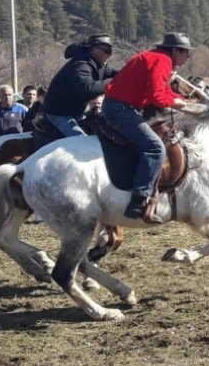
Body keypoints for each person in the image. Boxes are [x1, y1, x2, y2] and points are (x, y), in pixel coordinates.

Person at [102, 32, 193, 223]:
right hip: (121, 109)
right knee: (154, 148)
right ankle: (138, 201)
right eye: (186, 52)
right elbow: (156, 96)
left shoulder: (158, 58)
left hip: (120, 107)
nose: (188, 56)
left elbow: (163, 91)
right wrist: (178, 104)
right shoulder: (163, 61)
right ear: (175, 50)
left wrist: (185, 101)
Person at [42, 34, 118, 137]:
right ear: (95, 50)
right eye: (107, 51)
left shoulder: (98, 64)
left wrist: (129, 73)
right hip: (59, 114)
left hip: (76, 113)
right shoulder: (80, 64)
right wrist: (115, 82)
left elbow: (113, 73)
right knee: (80, 140)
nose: (110, 55)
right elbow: (87, 88)